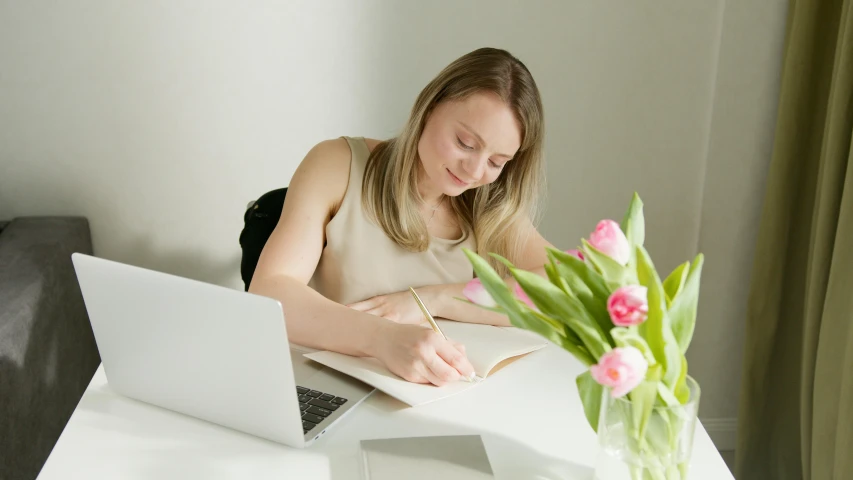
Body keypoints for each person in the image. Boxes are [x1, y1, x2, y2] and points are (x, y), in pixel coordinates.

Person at [249, 47, 554, 388]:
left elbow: (564, 289)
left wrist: (432, 299)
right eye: (465, 143)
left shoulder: (489, 207)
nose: (475, 170)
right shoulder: (336, 164)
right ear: (429, 108)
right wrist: (382, 339)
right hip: (319, 389)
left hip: (433, 400)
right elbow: (269, 291)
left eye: (497, 162)